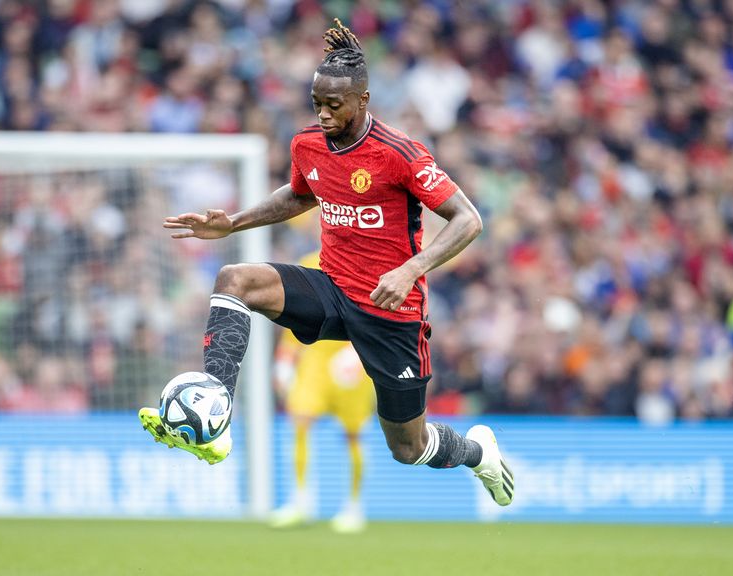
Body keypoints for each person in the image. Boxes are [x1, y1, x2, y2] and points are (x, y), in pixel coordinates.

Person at [139, 19, 514, 508]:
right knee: (235, 279)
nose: (323, 115)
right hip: (331, 290)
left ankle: (478, 453)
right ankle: (215, 407)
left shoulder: (400, 153)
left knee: (408, 446)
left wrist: (409, 271)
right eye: (316, 104)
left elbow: (468, 220)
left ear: (363, 100)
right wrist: (232, 222)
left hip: (390, 309)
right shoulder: (307, 144)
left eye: (334, 105)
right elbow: (299, 195)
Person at [269, 252, 376, 533]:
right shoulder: (306, 262)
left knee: (353, 435)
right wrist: (284, 358)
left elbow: (379, 314)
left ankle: (354, 507)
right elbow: (294, 311)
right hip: (314, 359)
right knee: (300, 421)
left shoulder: (367, 262)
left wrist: (357, 351)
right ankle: (301, 501)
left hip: (353, 361)